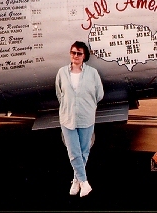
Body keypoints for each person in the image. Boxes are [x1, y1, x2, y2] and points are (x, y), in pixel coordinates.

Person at [55, 41, 104, 197]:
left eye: (79, 53)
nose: (75, 56)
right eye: (73, 52)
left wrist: (87, 105)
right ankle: (85, 183)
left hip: (86, 116)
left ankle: (76, 181)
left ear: (85, 56)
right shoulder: (62, 72)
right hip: (67, 117)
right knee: (73, 151)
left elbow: (99, 94)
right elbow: (59, 93)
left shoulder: (93, 73)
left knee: (84, 151)